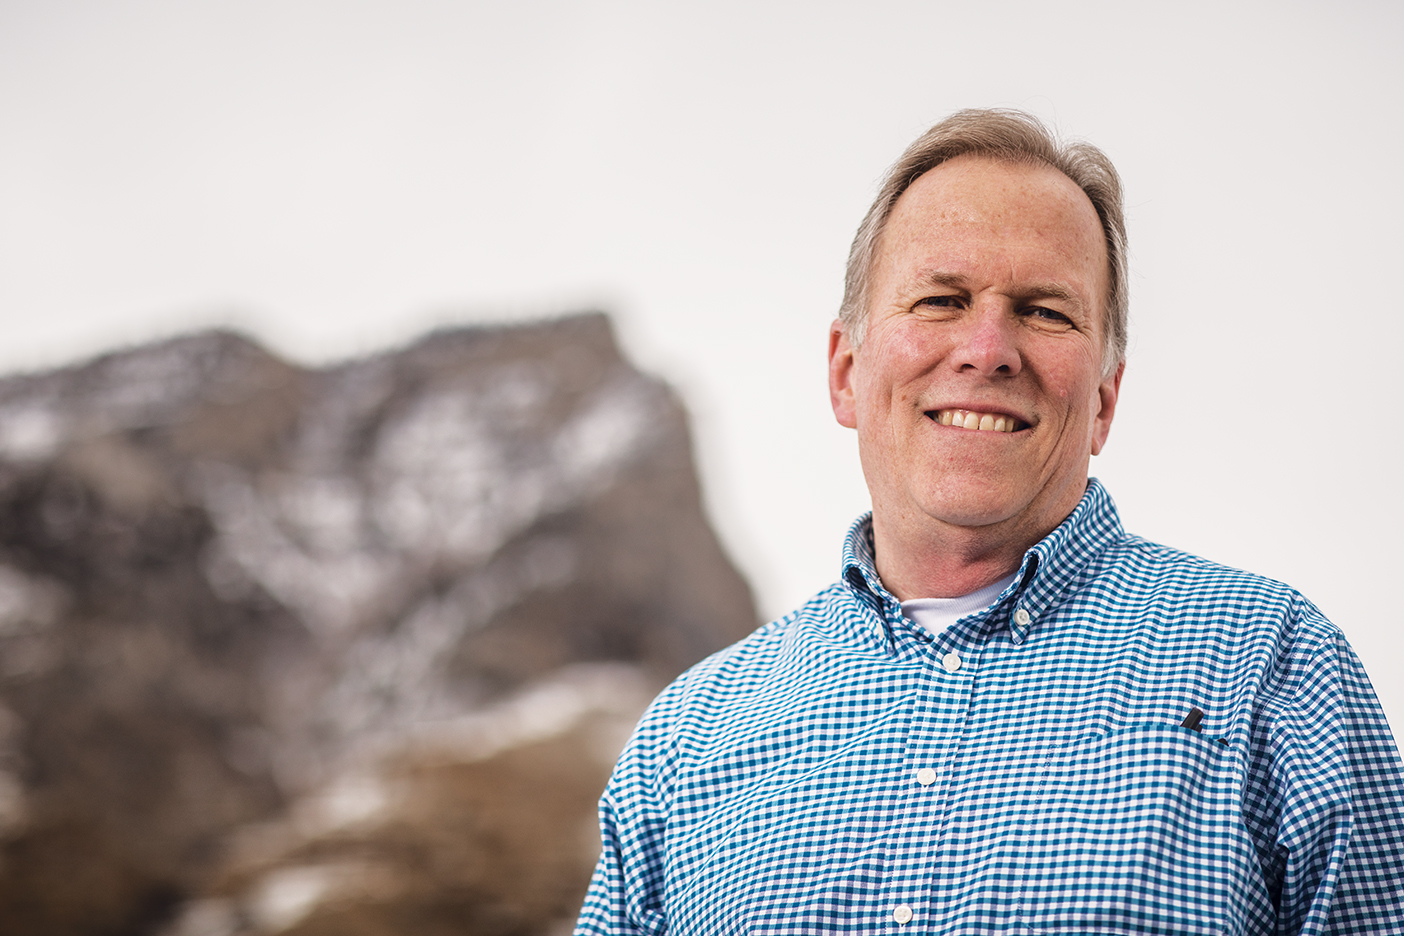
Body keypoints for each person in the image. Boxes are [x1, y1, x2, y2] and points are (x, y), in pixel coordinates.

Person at [573, 109, 1404, 935]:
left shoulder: (1274, 667)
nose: (988, 348)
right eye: (940, 299)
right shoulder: (686, 743)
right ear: (845, 373)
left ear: (1105, 401)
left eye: (1046, 311)